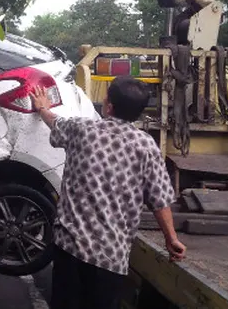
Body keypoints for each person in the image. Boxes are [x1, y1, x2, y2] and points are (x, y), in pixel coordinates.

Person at [31, 76, 186, 308]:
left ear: (109, 105)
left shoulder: (82, 130)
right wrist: (171, 238)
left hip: (71, 248)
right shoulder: (146, 147)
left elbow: (54, 121)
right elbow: (160, 199)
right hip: (111, 257)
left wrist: (42, 107)